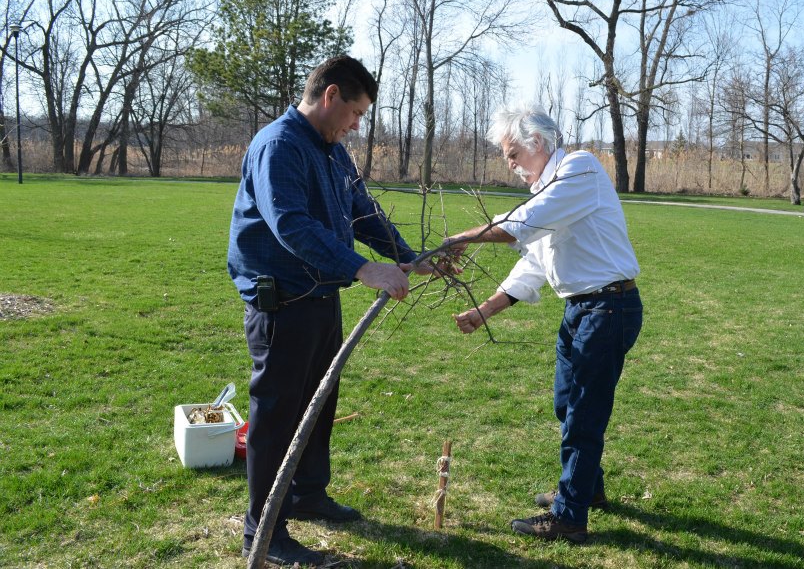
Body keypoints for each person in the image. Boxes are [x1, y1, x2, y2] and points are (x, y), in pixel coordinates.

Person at [227, 55, 430, 566]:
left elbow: (362, 210)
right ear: (330, 95)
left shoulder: (332, 151)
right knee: (277, 417)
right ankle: (264, 533)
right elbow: (290, 225)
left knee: (320, 404)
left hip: (321, 297)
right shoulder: (280, 145)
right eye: (356, 114)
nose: (357, 126)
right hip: (283, 305)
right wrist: (364, 269)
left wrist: (403, 255)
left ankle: (307, 493)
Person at [444, 104, 643, 543]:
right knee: (566, 404)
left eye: (512, 154)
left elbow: (520, 226)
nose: (509, 164)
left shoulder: (579, 170)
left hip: (608, 308)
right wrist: (485, 311)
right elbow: (533, 262)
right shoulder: (550, 191)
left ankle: (569, 516)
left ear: (537, 143)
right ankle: (587, 488)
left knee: (584, 414)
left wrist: (462, 238)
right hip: (583, 309)